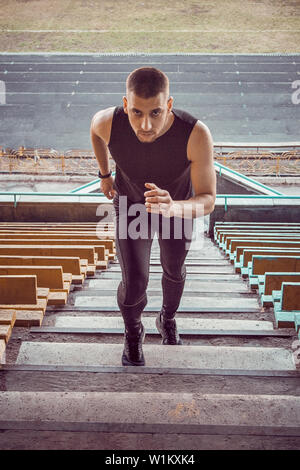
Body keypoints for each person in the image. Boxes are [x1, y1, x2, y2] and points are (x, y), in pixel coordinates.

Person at [90, 67, 216, 366]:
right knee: (134, 281)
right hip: (132, 207)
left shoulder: (195, 133)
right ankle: (133, 332)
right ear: (125, 105)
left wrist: (173, 207)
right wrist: (105, 174)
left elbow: (208, 200)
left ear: (169, 106)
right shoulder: (107, 122)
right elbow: (95, 132)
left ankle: (167, 318)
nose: (145, 124)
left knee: (173, 270)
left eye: (156, 112)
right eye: (136, 112)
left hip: (177, 208)